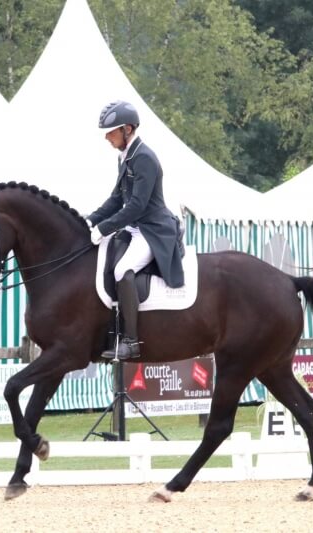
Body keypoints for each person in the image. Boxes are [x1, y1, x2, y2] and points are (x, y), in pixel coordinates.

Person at [87, 100, 184, 360]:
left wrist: (105, 228)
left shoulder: (144, 158)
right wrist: (90, 221)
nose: (107, 137)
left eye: (111, 131)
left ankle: (131, 342)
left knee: (122, 270)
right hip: (134, 228)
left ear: (128, 129)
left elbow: (138, 206)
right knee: (105, 262)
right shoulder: (126, 156)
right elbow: (117, 199)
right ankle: (113, 332)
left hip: (152, 229)